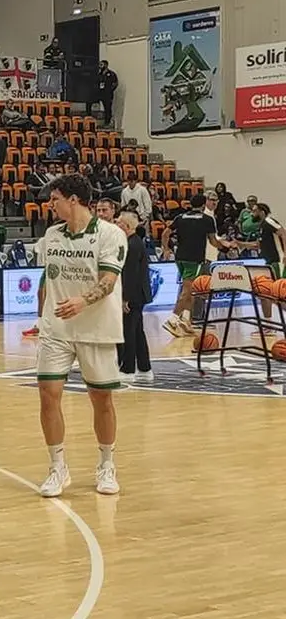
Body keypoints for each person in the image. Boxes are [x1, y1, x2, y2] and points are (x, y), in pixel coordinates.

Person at [34, 174, 128, 498]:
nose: (50, 204)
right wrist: (41, 315)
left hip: (96, 328)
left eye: (55, 198)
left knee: (101, 399)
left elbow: (109, 282)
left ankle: (106, 463)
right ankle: (57, 467)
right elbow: (46, 280)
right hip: (57, 328)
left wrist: (81, 301)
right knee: (48, 394)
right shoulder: (51, 235)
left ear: (73, 199)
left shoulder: (111, 234)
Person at [161, 193, 226, 337]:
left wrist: (166, 249)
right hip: (194, 259)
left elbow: (165, 233)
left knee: (192, 291)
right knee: (187, 291)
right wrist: (225, 247)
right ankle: (173, 319)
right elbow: (213, 241)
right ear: (203, 205)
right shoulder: (207, 219)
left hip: (180, 258)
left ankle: (186, 321)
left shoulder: (180, 217)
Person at [115, 213, 153, 383]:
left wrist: (125, 299)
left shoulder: (131, 245)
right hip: (139, 294)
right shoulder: (135, 242)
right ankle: (144, 367)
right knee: (137, 331)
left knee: (128, 332)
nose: (116, 226)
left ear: (127, 226)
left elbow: (130, 275)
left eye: (119, 223)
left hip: (133, 295)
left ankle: (128, 368)